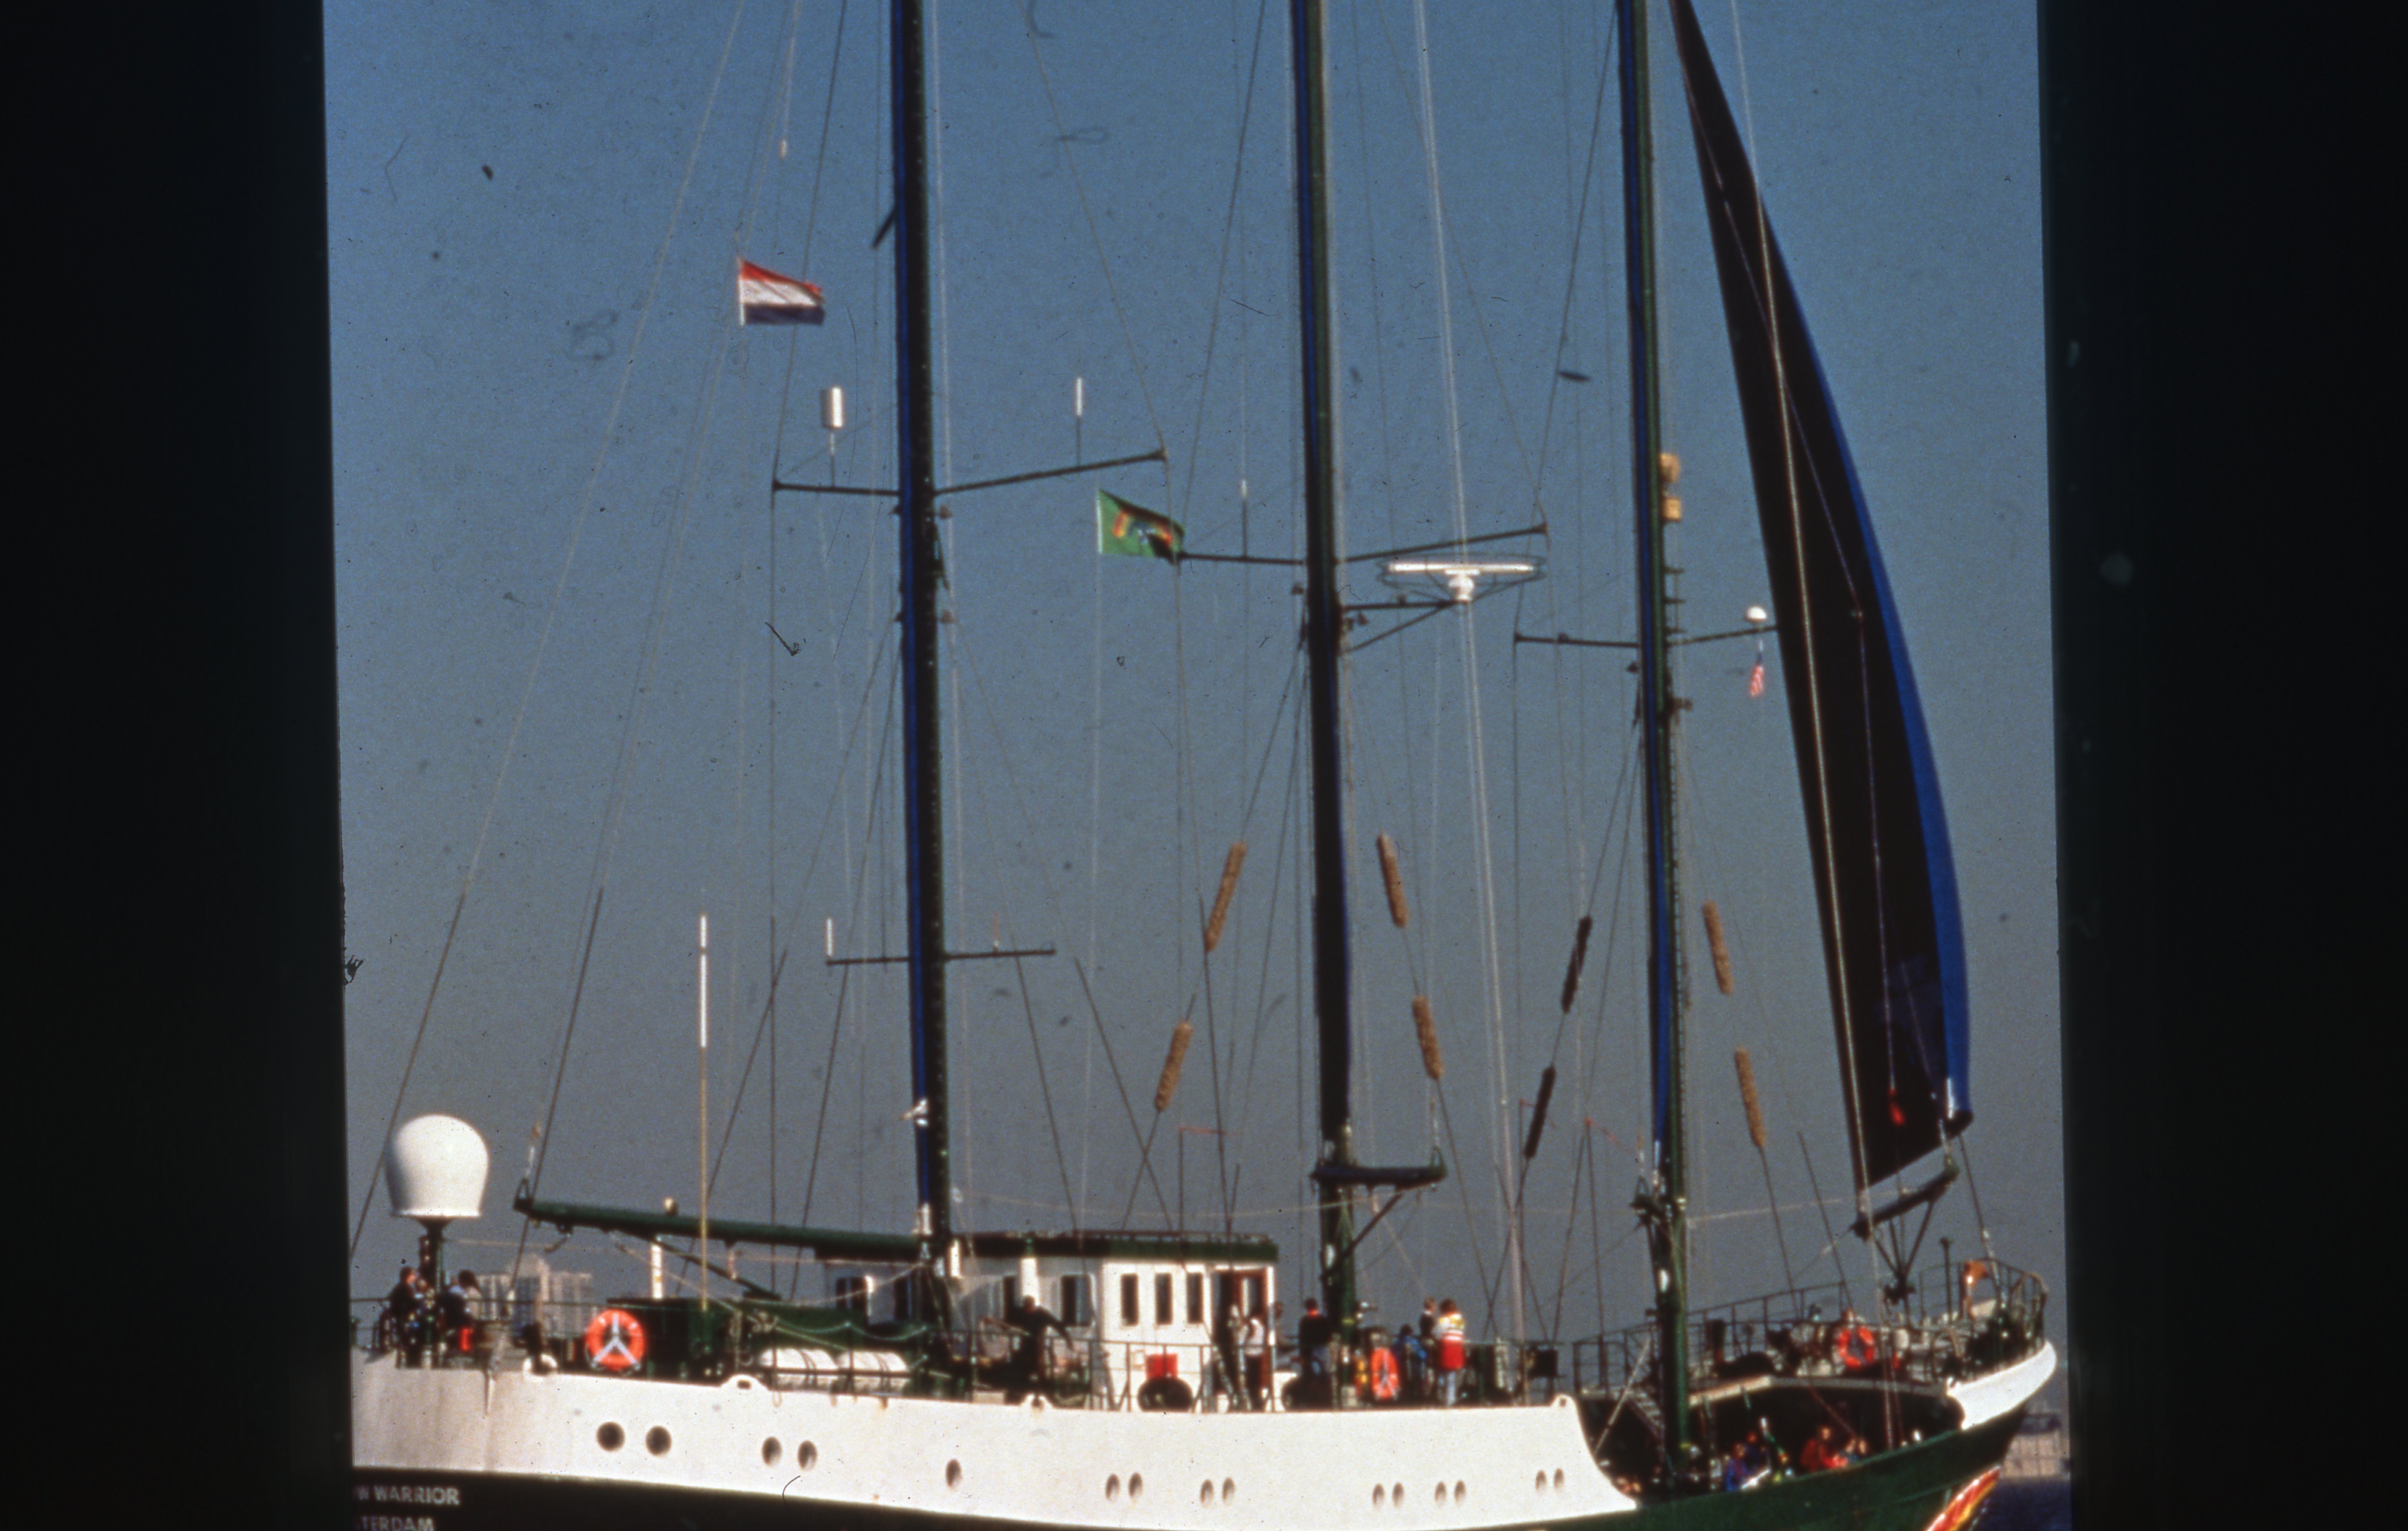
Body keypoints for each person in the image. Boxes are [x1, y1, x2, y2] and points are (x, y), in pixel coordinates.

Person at [992, 1292, 1070, 1401]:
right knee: (1022, 1368)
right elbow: (1007, 1324)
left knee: (1040, 1370)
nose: (1028, 1309)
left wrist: (1068, 1340)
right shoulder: (1021, 1314)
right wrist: (994, 1322)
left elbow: (1057, 1325)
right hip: (1026, 1345)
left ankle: (1047, 1394)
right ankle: (1018, 1394)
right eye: (1026, 1307)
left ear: (1033, 1306)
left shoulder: (1042, 1315)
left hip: (1038, 1346)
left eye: (1029, 1307)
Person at [1296, 1298, 1336, 1407]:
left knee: (1312, 1373)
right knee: (1325, 1373)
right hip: (1323, 1349)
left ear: (1307, 1308)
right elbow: (1329, 1336)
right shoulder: (1324, 1320)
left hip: (1310, 1350)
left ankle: (1313, 1398)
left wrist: (1303, 1355)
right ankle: (1327, 1398)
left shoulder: (1305, 1321)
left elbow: (1302, 1338)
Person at [384, 1265, 427, 1362]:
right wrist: (423, 1298)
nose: (415, 1278)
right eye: (414, 1275)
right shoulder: (406, 1288)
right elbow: (412, 1301)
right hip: (406, 1318)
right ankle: (413, 1360)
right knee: (416, 1335)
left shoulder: (399, 1288)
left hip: (401, 1317)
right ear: (409, 1276)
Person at [438, 1268, 482, 1355]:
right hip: (469, 1319)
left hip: (468, 1320)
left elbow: (467, 1308)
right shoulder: (473, 1291)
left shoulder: (469, 1292)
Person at [1434, 1298, 1468, 1406]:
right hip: (1458, 1348)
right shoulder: (1460, 1320)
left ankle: (1449, 1401)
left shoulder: (1444, 1320)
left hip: (1447, 1348)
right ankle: (1452, 1399)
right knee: (1454, 1376)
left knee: (1448, 1376)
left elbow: (1437, 1333)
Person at [1239, 1304, 1271, 1410]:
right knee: (1255, 1380)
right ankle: (1256, 1402)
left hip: (1252, 1355)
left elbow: (1240, 1342)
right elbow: (1241, 1341)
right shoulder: (1255, 1326)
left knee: (1253, 1381)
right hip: (1254, 1355)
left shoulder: (1253, 1326)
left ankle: (1255, 1402)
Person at [1831, 1307, 1878, 1375]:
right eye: (1847, 1318)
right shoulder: (1839, 1329)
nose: (1849, 1320)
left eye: (1851, 1317)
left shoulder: (1861, 1324)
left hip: (1861, 1352)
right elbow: (1837, 1343)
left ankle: (1866, 1367)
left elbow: (1869, 1335)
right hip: (1846, 1354)